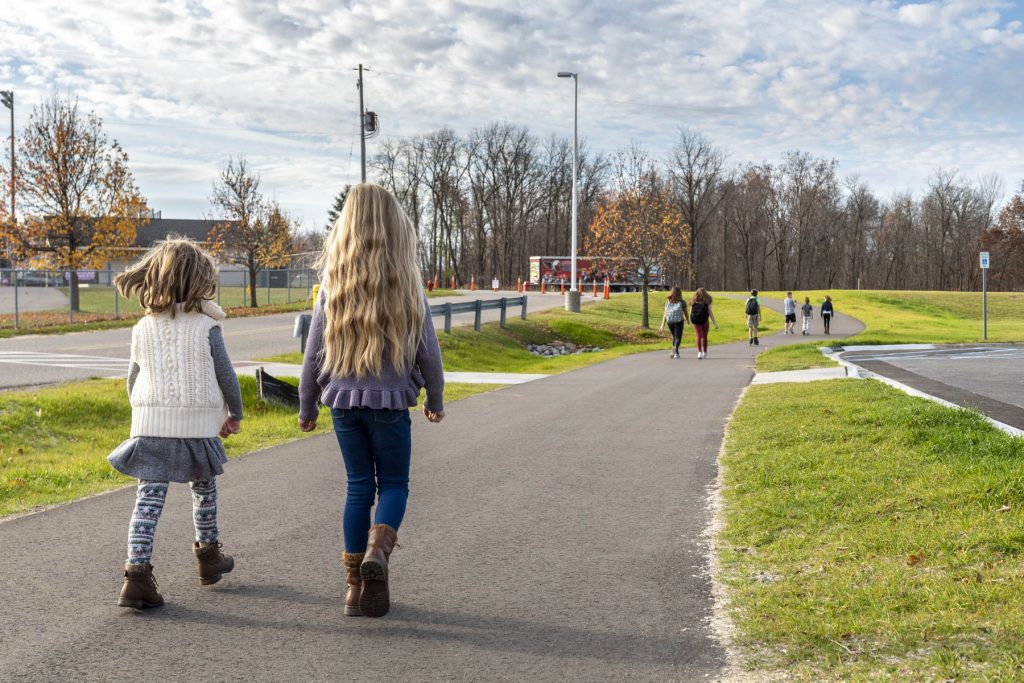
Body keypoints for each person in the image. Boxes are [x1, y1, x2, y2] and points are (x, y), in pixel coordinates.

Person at [299, 183, 445, 619]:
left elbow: (313, 352)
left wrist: (307, 406)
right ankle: (378, 552)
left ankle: (352, 589)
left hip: (343, 405)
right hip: (391, 406)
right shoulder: (407, 285)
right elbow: (429, 353)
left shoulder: (334, 285)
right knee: (394, 485)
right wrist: (434, 398)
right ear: (398, 228)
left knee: (358, 487)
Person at [108, 238, 242, 610]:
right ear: (200, 281)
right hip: (196, 425)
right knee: (204, 488)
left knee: (147, 502)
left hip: (151, 425)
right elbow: (226, 375)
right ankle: (208, 554)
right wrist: (235, 414)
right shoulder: (206, 326)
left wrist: (143, 412)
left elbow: (132, 379)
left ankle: (136, 577)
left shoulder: (142, 327)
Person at [658, 286, 689, 358]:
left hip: (670, 322)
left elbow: (665, 314)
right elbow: (686, 312)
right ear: (680, 293)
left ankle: (676, 354)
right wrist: (687, 320)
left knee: (674, 337)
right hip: (679, 322)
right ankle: (674, 349)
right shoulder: (682, 302)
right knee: (678, 338)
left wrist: (662, 325)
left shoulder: (668, 301)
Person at [689, 287, 719, 359]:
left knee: (698, 336)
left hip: (696, 321)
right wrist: (715, 323)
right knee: (704, 337)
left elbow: (691, 312)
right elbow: (710, 313)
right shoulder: (707, 302)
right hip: (705, 321)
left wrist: (690, 321)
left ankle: (699, 352)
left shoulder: (693, 301)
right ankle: (704, 352)